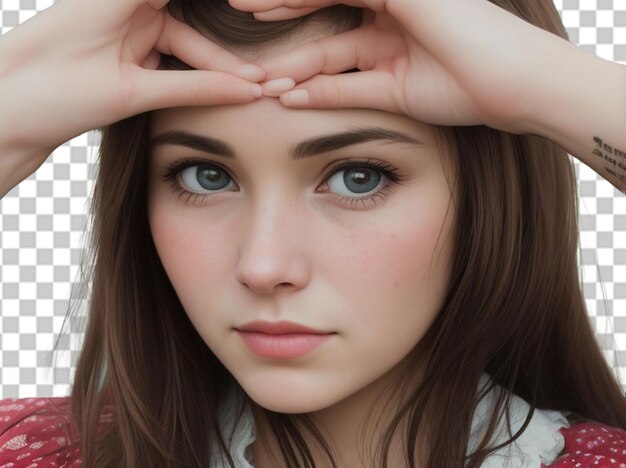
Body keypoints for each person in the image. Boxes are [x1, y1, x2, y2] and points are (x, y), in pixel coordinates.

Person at [0, 0, 625, 466]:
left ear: (491, 202)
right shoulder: (31, 451)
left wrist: (546, 89)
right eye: (207, 176)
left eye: (357, 177)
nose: (264, 265)